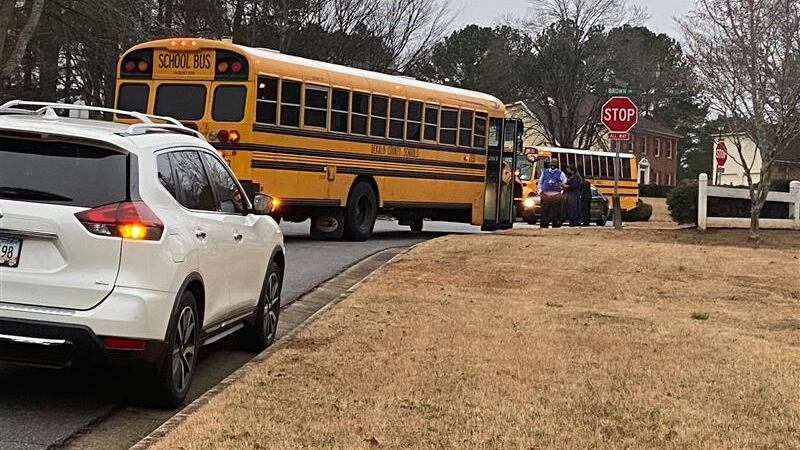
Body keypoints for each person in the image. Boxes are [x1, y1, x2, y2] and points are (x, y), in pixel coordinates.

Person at [538, 159, 566, 228]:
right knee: (544, 212)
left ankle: (555, 225)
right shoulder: (544, 172)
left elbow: (564, 182)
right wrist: (540, 191)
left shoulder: (560, 173)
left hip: (556, 196)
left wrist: (561, 192)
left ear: (557, 164)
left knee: (556, 212)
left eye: (555, 163)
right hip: (545, 195)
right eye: (552, 163)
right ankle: (544, 225)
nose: (553, 165)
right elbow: (540, 182)